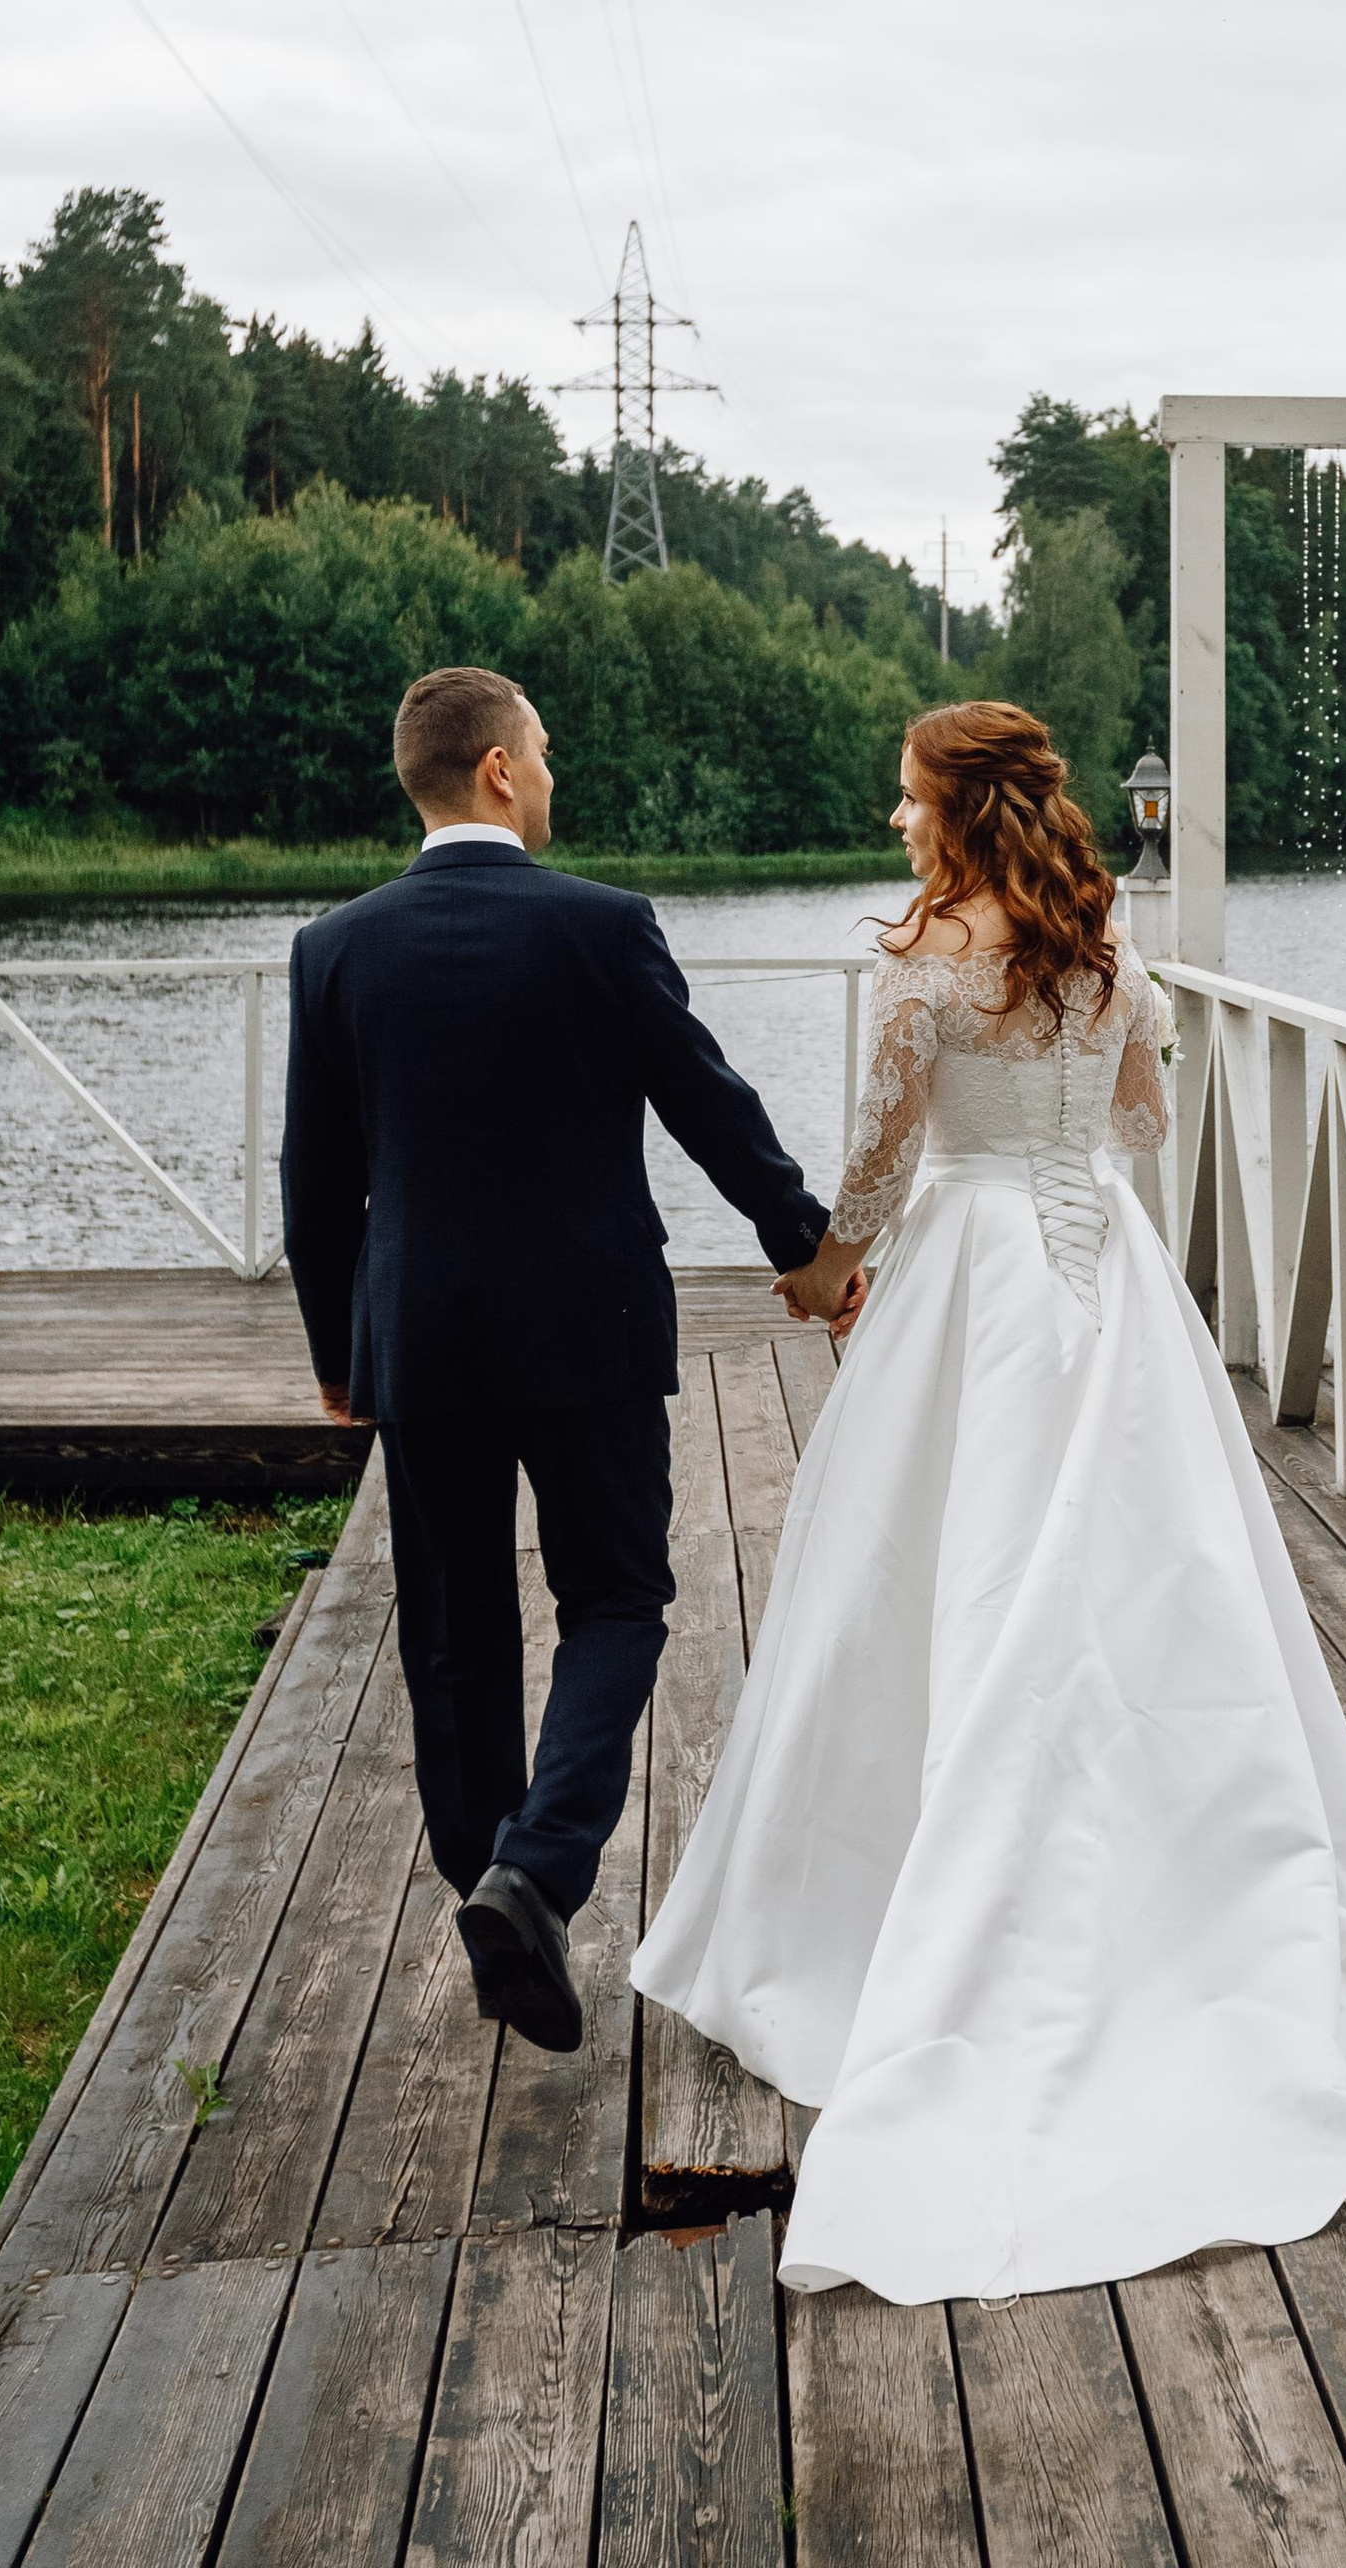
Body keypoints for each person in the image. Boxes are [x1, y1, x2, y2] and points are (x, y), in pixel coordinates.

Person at [632, 699, 1346, 2301]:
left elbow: (878, 1152)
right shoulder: (1101, 941)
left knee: (937, 1570)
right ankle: (1182, 1886)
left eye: (909, 791)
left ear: (954, 803)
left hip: (975, 1265)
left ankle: (916, 1903)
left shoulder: (926, 956)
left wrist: (832, 1267)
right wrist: (1065, 1141)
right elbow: (1139, 1120)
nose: (894, 810)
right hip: (1100, 1265)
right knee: (1142, 1562)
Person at [280, 664, 830, 2057]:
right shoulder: (599, 926)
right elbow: (710, 1101)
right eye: (546, 749)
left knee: (456, 1632)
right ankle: (539, 1874)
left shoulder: (335, 949)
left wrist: (341, 1352)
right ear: (501, 773)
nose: (553, 770)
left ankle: (490, 1885)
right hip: (589, 1329)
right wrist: (800, 1237)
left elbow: (314, 1180)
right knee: (621, 1598)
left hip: (422, 1340)